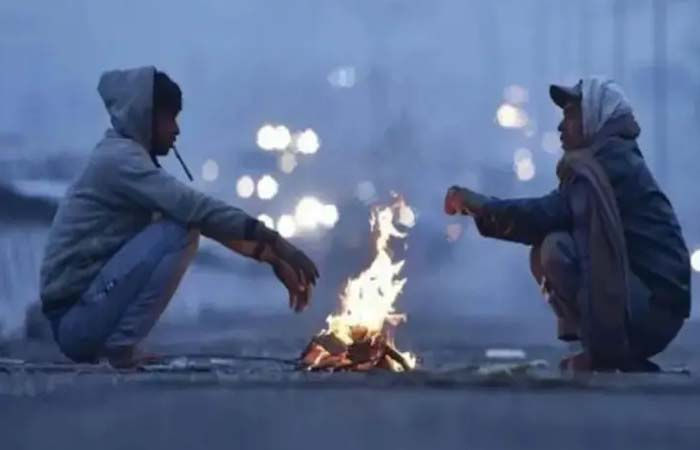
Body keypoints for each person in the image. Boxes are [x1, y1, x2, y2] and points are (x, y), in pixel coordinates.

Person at [39, 66, 319, 368]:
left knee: (185, 225)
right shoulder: (121, 160)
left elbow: (208, 222)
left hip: (83, 316)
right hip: (77, 322)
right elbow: (197, 210)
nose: (176, 130)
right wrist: (278, 242)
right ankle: (120, 349)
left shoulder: (127, 157)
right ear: (146, 116)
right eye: (169, 118)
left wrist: (272, 257)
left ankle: (119, 347)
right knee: (180, 232)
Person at [444, 77, 690, 372]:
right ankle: (608, 351)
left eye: (572, 115)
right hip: (651, 302)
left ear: (596, 118)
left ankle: (607, 353)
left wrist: (481, 206)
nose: (562, 126)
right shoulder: (605, 159)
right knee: (550, 246)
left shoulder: (608, 164)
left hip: (653, 308)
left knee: (555, 249)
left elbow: (546, 213)